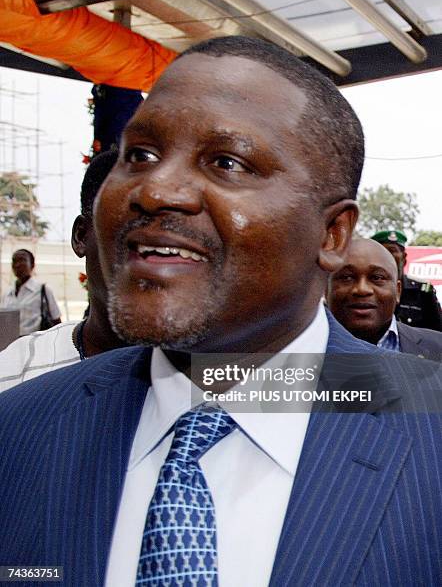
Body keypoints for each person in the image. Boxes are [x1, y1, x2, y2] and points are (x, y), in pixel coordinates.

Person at [0, 37, 441, 587]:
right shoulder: (18, 431)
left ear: (332, 233)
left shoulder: (428, 430)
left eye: (227, 162)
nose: (155, 189)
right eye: (139, 155)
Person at [0, 150, 127, 391]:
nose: (155, 251)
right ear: (81, 236)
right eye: (126, 227)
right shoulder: (15, 372)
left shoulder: (209, 379)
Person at [327, 237, 442, 360]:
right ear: (325, 289)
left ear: (398, 291)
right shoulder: (305, 344)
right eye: (347, 277)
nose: (362, 289)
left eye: (377, 278)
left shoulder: (437, 347)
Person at [371, 229, 442, 331]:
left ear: (404, 258)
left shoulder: (422, 291)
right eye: (382, 252)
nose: (387, 257)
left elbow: (438, 332)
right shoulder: (364, 290)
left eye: (392, 251)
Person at [1, 248, 61, 336]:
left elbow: (57, 322)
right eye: (14, 261)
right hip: (11, 345)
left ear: (32, 265)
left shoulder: (43, 291)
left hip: (35, 345)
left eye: (22, 260)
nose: (17, 265)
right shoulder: (7, 293)